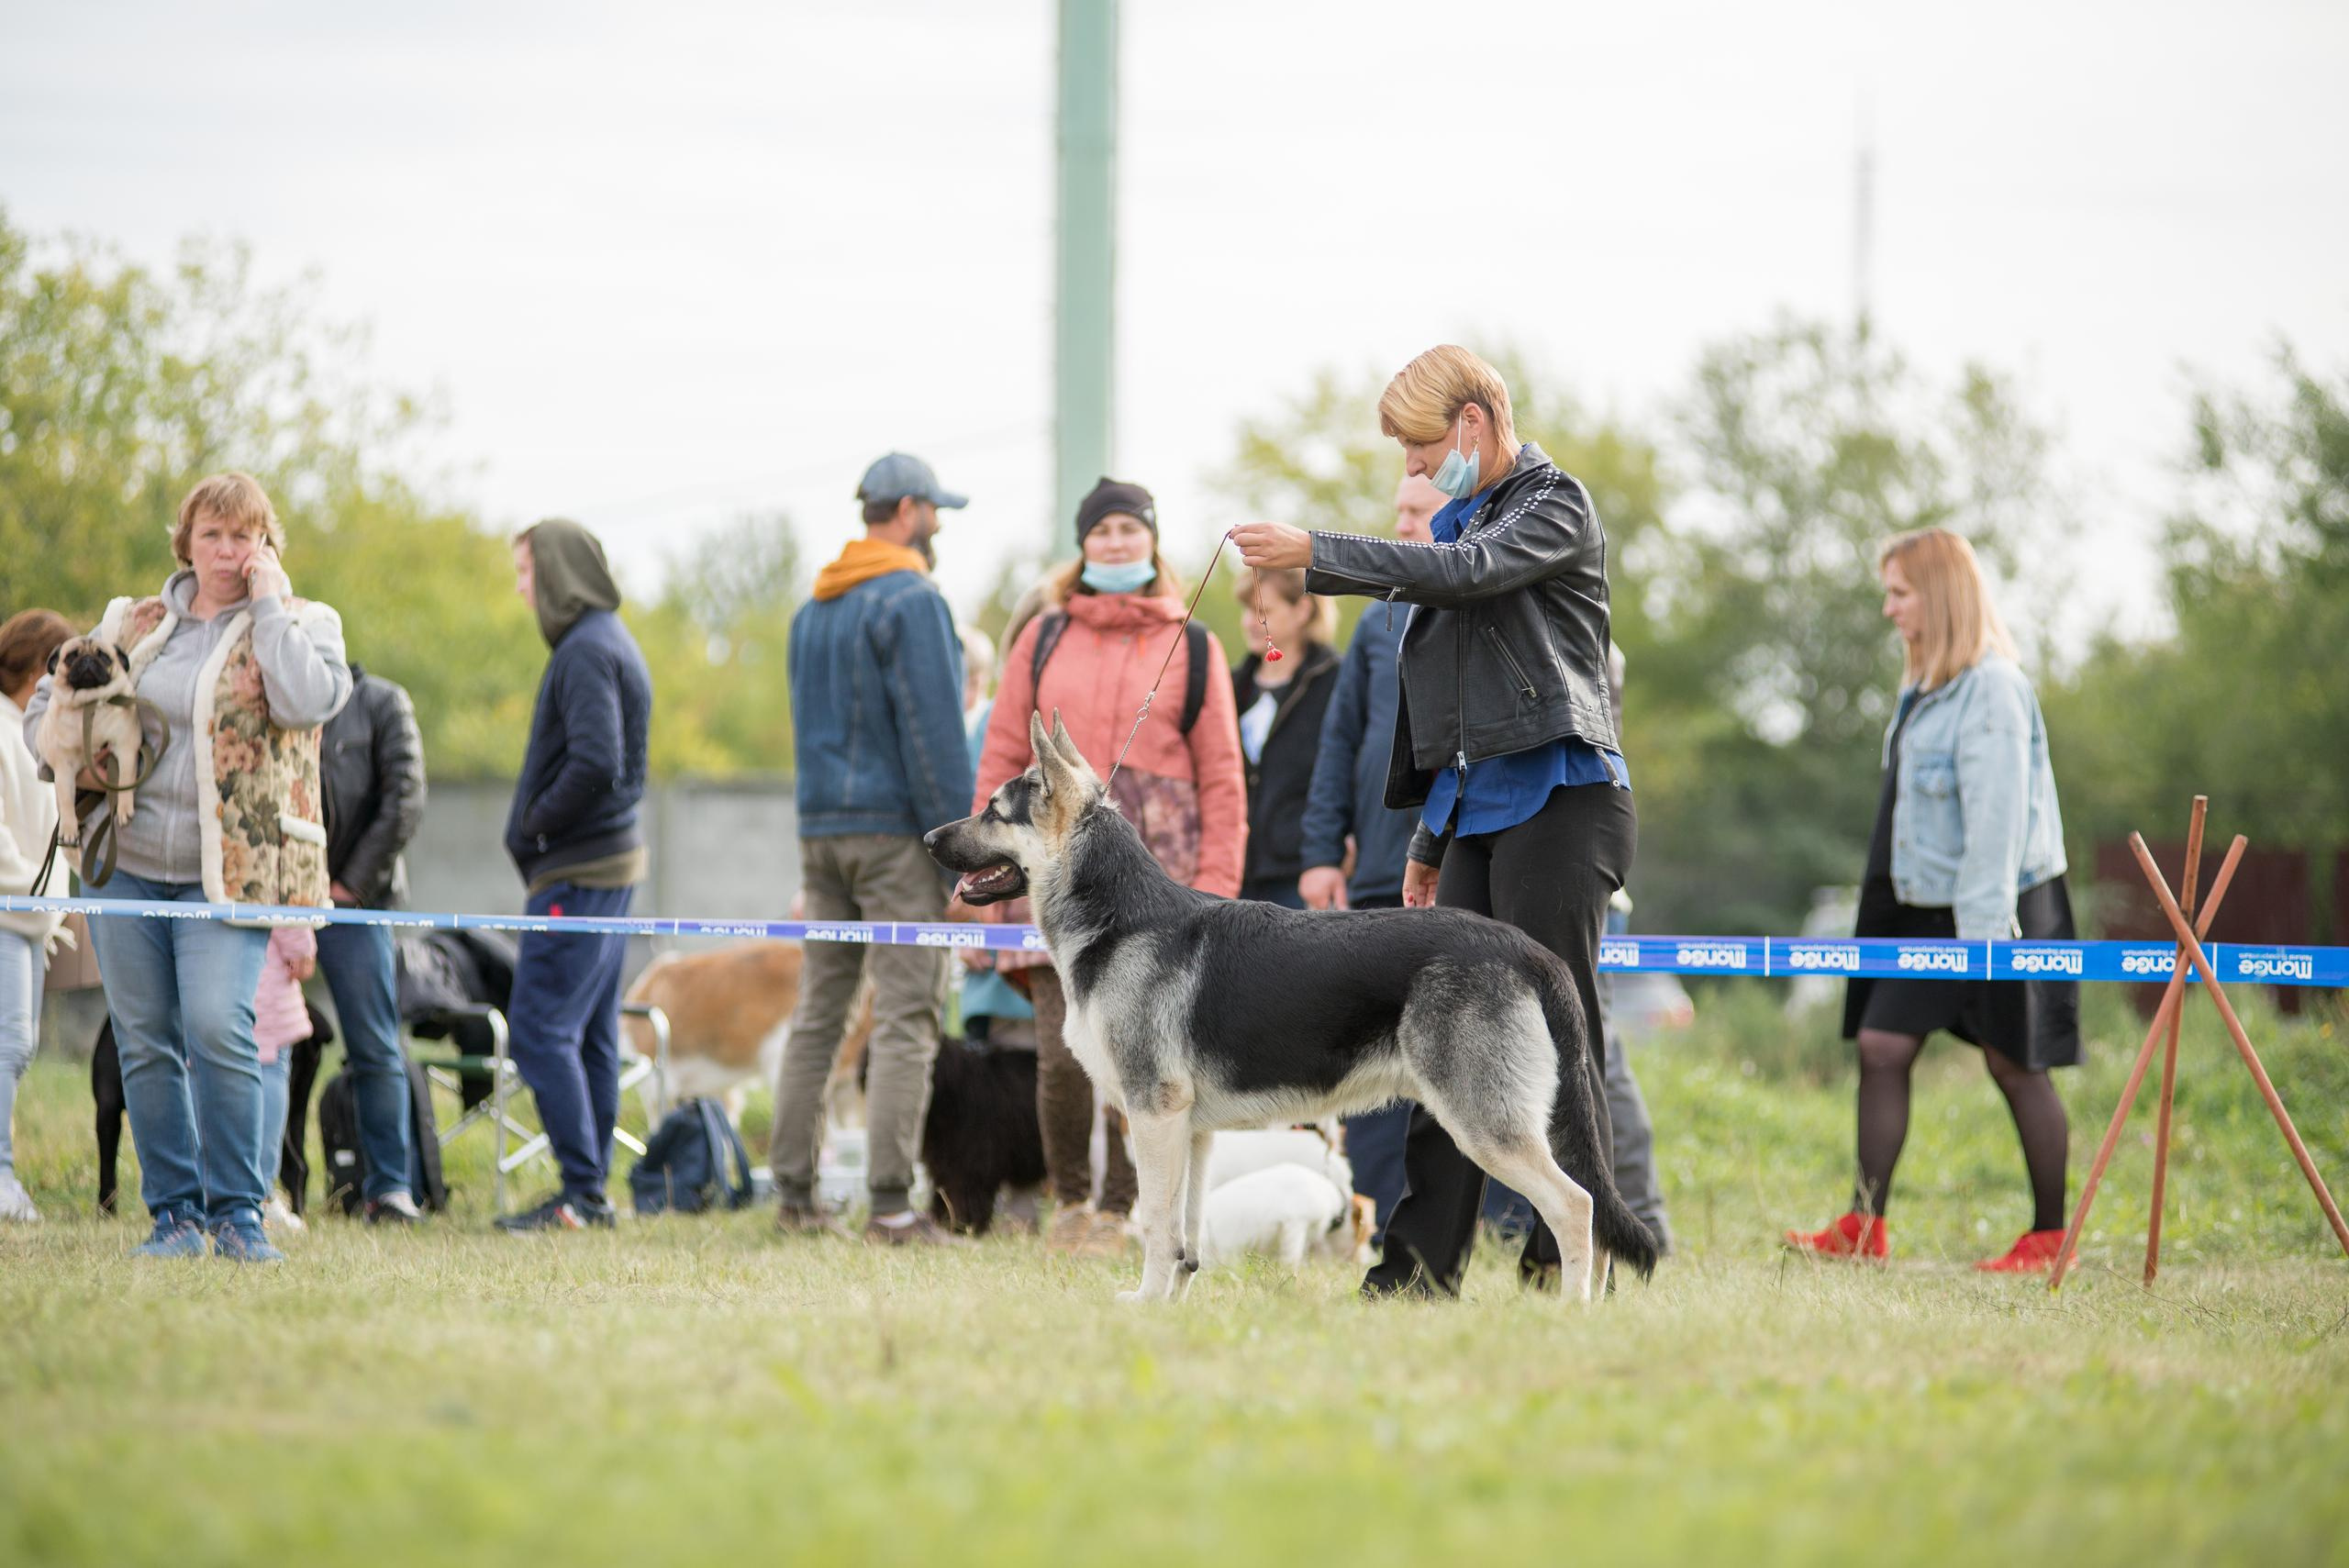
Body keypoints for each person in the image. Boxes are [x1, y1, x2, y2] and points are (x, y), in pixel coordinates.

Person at [1232, 345, 1635, 1298]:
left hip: (1563, 803)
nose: (1414, 474)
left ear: (1473, 422)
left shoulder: (1553, 504)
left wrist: (1317, 555)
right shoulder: (1458, 525)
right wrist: (1429, 839)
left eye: (1420, 452)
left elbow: (1469, 572)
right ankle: (1416, 1270)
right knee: (1436, 1045)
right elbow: (1450, 708)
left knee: (1563, 1031)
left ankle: (1567, 1261)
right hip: (1477, 811)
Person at [26, 472, 351, 1262]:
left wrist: (268, 605)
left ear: (266, 545)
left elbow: (309, 701)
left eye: (245, 535)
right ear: (187, 541)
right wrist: (83, 766)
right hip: (131, 864)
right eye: (213, 534)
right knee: (143, 1039)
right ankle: (172, 1213)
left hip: (230, 872)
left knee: (219, 1027)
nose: (228, 550)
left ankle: (240, 1212)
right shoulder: (132, 620)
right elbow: (47, 704)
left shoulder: (306, 621)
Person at [1786, 527, 2078, 1273]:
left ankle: (2050, 1236)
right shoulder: (1925, 686)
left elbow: (1997, 822)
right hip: (1920, 904)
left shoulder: (1993, 689)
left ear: (1941, 596)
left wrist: (1983, 937)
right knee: (1883, 1048)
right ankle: (1864, 1224)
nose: (1888, 609)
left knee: (2016, 1064)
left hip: (1992, 908)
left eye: (1900, 593)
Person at [973, 477, 1246, 1256]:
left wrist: (1218, 888)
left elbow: (1223, 774)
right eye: (1103, 531)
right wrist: (992, 880)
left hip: (1165, 870)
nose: (1117, 542)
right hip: (1055, 866)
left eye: (1131, 529)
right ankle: (1071, 1204)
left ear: (1151, 542)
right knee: (1061, 1051)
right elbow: (1001, 752)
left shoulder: (1194, 641)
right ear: (1083, 545)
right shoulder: (1043, 637)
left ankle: (1129, 1211)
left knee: (1146, 1056)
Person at [773, 453, 975, 1246]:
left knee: (819, 1012)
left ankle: (793, 1193)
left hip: (821, 831)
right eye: (936, 513)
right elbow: (934, 738)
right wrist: (960, 852)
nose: (939, 529)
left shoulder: (812, 609)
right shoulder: (913, 600)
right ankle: (891, 1205)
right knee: (907, 1014)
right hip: (894, 835)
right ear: (910, 511)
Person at [495, 517, 652, 1233]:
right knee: (588, 1031)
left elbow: (597, 761)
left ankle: (581, 1195)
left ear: (557, 572)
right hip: (604, 866)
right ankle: (589, 1193)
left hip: (581, 872)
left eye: (528, 571)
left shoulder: (587, 649)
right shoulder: (603, 640)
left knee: (536, 1030)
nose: (523, 587)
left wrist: (534, 823)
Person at [317, 662, 429, 1223]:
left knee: (375, 1047)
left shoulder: (382, 701)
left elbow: (404, 800)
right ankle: (259, 1192)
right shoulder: (266, 694)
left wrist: (349, 885)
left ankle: (390, 1189)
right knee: (255, 1045)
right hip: (275, 898)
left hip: (358, 903)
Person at [0, 609, 75, 1222]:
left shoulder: (41, 734)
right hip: (10, 911)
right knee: (7, 1043)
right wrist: (32, 893)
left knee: (17, 1046)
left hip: (30, 917)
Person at [1231, 568, 1340, 907]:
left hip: (1303, 873)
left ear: (1302, 611)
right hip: (1236, 871)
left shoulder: (1338, 682)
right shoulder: (1229, 684)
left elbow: (1346, 770)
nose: (1250, 622)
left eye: (1264, 612)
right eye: (1247, 610)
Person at [253, 923, 317, 1234]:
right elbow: (282, 881)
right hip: (265, 958)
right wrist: (300, 942)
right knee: (270, 1064)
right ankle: (260, 1195)